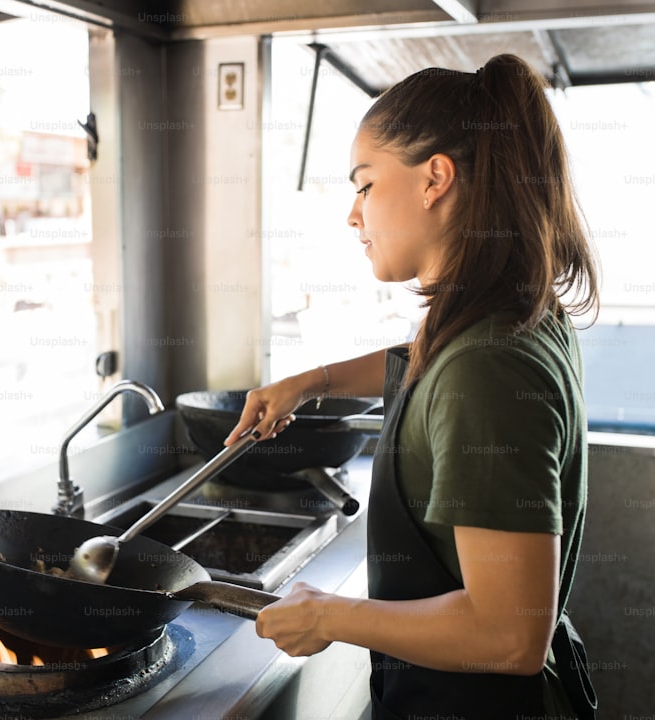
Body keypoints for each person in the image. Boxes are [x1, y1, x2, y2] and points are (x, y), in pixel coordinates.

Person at [225, 54, 599, 719]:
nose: (353, 215)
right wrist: (313, 383)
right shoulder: (504, 312)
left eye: (365, 185)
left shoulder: (486, 366)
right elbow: (426, 361)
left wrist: (329, 615)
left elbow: (509, 635)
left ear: (435, 179)